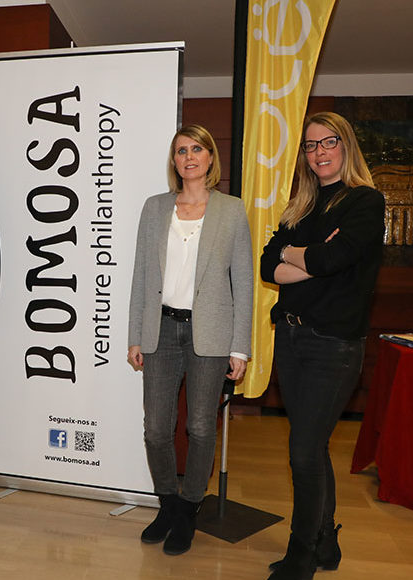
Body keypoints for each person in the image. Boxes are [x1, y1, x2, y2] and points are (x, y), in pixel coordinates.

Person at [260, 112, 385, 580]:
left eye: (328, 142)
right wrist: (306, 257)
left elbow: (334, 258)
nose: (320, 152)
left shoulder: (365, 201)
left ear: (346, 145)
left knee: (303, 450)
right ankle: (326, 541)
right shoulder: (301, 207)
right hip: (291, 338)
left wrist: (298, 256)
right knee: (311, 446)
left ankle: (301, 553)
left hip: (334, 345)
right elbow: (267, 265)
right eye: (311, 146)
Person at [127, 124, 253, 556]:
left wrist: (240, 347)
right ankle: (167, 503)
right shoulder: (155, 208)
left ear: (210, 157)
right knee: (156, 429)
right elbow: (141, 275)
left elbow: (244, 283)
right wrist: (135, 335)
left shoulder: (232, 211)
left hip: (210, 334)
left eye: (197, 148)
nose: (189, 157)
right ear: (174, 160)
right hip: (161, 331)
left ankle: (189, 509)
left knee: (200, 427)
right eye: (181, 150)